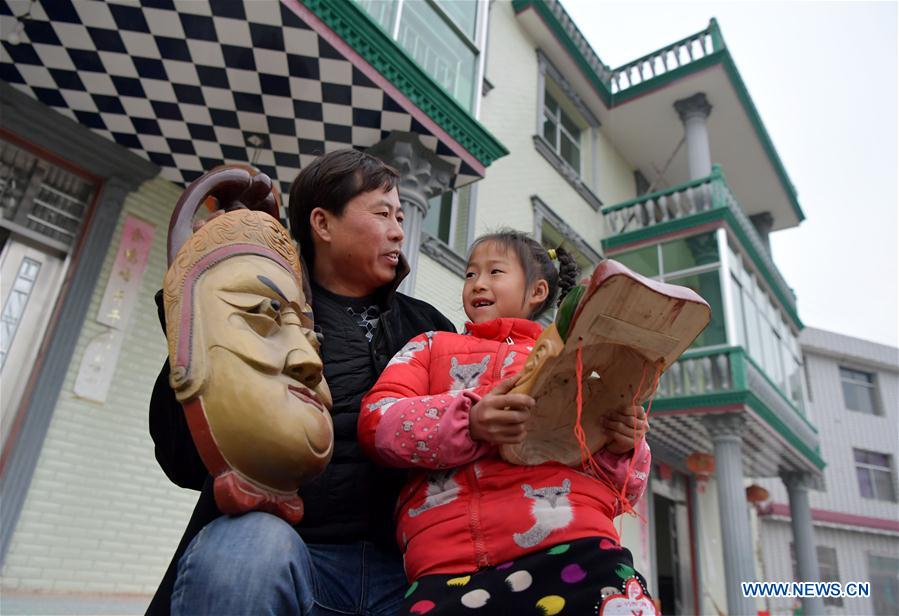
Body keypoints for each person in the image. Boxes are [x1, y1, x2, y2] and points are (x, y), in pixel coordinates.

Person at [147, 149, 455, 616]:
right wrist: (197, 306)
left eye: (400, 216)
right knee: (243, 549)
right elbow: (184, 462)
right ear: (322, 223)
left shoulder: (429, 328)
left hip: (408, 569)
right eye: (382, 214)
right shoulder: (258, 314)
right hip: (294, 556)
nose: (399, 231)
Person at [359, 229, 654, 615]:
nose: (478, 283)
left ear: (538, 292)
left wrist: (623, 446)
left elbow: (620, 489)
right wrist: (468, 421)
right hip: (450, 559)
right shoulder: (430, 346)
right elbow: (378, 421)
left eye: (495, 272)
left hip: (575, 538)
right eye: (470, 274)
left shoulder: (577, 363)